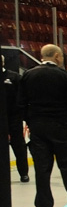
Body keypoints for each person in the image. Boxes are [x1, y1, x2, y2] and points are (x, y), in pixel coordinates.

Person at [19, 44, 67, 207]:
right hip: (62, 127)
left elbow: (21, 103)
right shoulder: (65, 77)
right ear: (56, 56)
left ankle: (43, 206)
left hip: (38, 127)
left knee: (42, 169)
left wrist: (31, 121)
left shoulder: (29, 75)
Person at [2, 54, 29, 182]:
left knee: (19, 147)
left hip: (14, 118)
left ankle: (24, 173)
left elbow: (22, 97)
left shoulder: (14, 77)